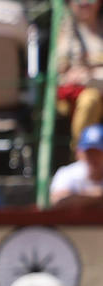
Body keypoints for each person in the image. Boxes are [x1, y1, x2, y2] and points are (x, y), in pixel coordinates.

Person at [56, 0, 103, 150]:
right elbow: (62, 71)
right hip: (80, 95)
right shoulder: (66, 30)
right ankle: (83, 155)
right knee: (89, 101)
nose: (84, 3)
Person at [49, 123, 103, 210]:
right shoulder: (67, 173)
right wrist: (98, 195)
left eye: (98, 152)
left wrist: (79, 198)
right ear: (79, 153)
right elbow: (58, 201)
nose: (93, 157)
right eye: (89, 152)